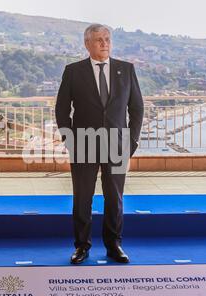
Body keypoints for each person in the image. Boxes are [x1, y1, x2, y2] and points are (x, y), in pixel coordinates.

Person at [55, 24, 144, 264]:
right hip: (83, 143)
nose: (104, 43)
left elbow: (136, 108)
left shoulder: (126, 70)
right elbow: (62, 108)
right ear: (87, 44)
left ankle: (114, 245)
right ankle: (82, 247)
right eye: (98, 40)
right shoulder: (73, 71)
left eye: (107, 39)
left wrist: (132, 139)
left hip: (117, 144)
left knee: (114, 197)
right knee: (82, 197)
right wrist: (68, 138)